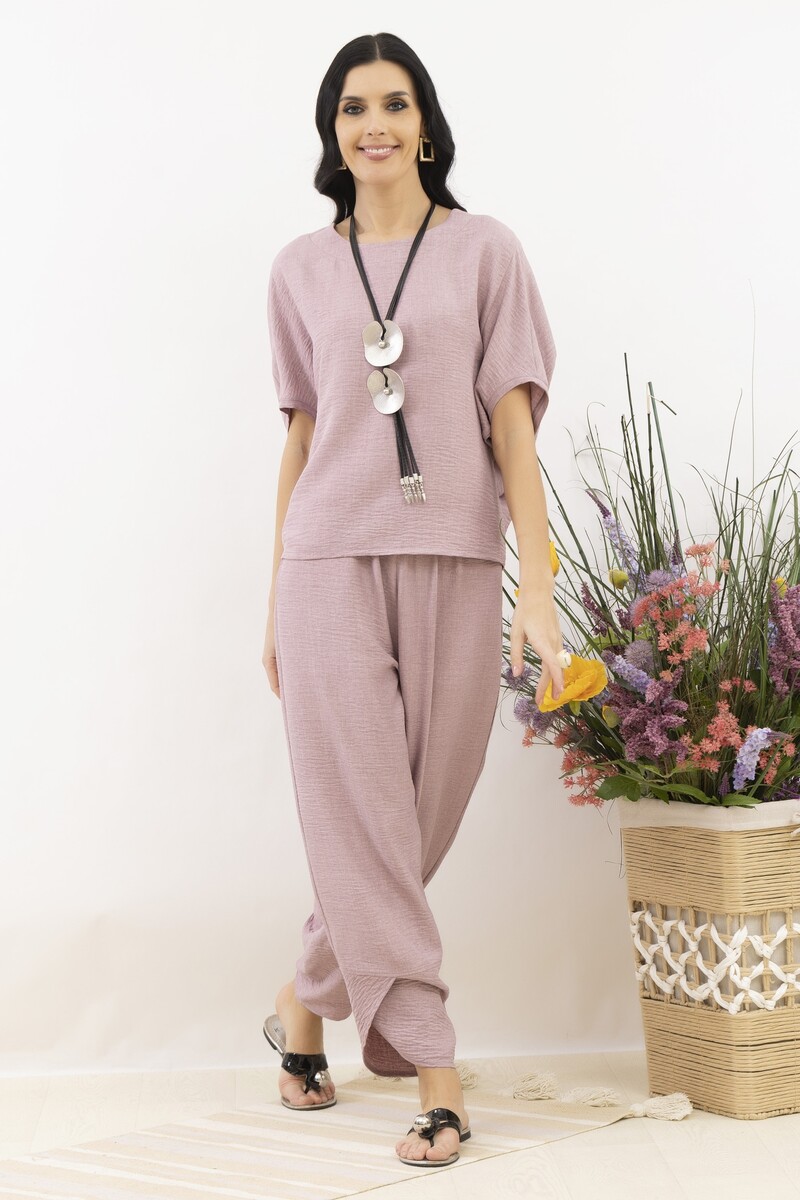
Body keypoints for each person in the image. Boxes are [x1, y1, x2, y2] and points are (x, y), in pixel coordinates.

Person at [261, 31, 566, 1169]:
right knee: (364, 822)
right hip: (326, 563)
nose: (374, 125)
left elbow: (513, 429)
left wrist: (539, 589)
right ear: (332, 133)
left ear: (425, 124)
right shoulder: (299, 267)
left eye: (393, 104)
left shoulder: (485, 251)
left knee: (416, 817)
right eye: (352, 108)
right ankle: (437, 1076)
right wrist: (272, 595)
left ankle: (303, 1005)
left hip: (456, 554)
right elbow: (301, 434)